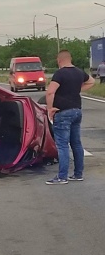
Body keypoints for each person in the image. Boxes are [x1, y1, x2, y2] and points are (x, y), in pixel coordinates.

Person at [45, 49, 95, 185]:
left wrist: (50, 109)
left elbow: (50, 92)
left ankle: (62, 177)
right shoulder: (79, 72)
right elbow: (91, 81)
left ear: (59, 60)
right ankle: (78, 174)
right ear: (70, 59)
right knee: (76, 143)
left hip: (63, 112)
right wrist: (77, 90)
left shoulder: (60, 74)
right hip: (77, 111)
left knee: (62, 145)